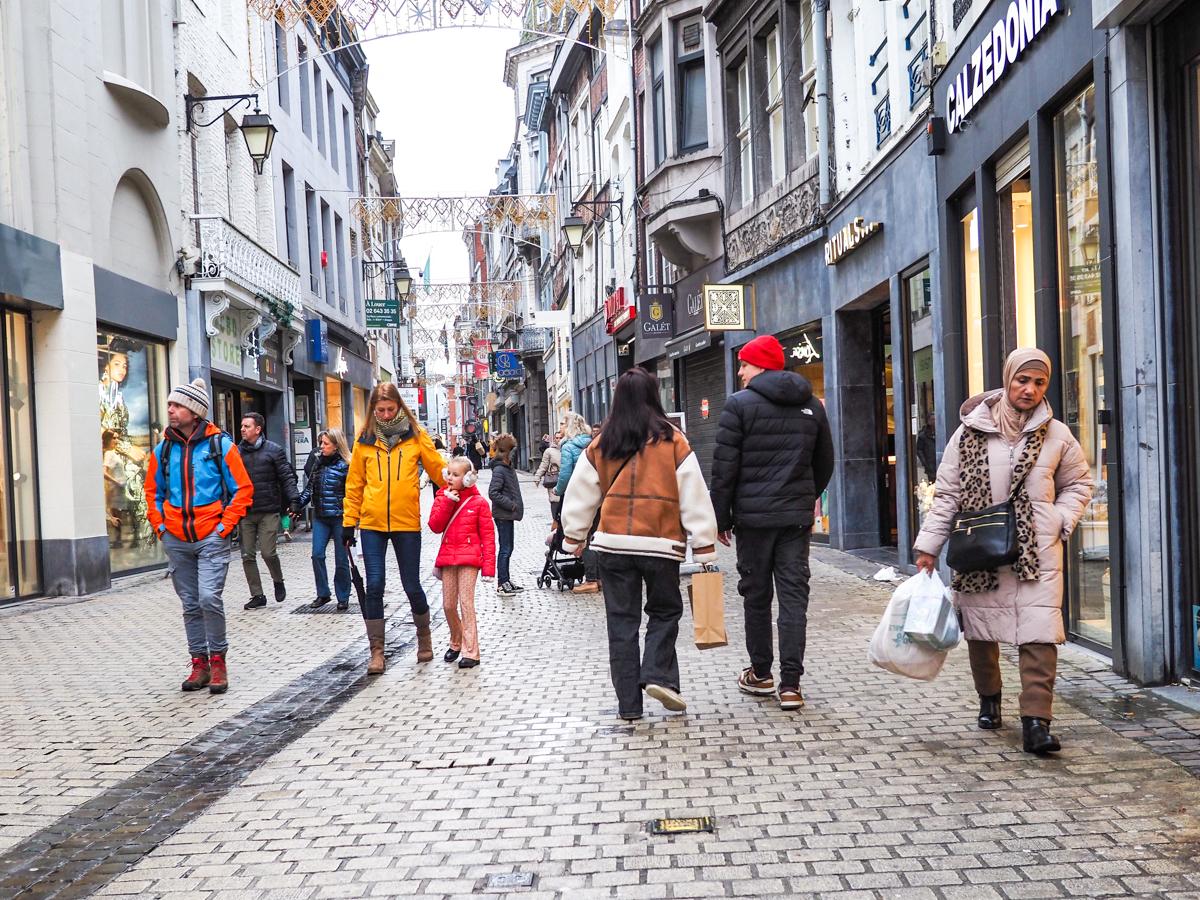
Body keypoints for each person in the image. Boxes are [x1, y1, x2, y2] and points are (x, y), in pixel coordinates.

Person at [914, 348, 1093, 755]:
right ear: (1008, 378)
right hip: (981, 550)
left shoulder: (1057, 435)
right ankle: (989, 699)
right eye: (1022, 380)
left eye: (1039, 382)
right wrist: (928, 547)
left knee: (1040, 636)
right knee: (982, 634)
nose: (1029, 389)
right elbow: (948, 495)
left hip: (1037, 552)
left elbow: (1079, 484)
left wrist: (1057, 520)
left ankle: (1036, 722)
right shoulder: (969, 431)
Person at [560, 367, 719, 721]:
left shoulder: (602, 443)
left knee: (621, 623)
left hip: (613, 547)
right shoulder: (673, 440)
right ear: (653, 396)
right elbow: (694, 493)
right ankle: (657, 674)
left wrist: (574, 535)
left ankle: (629, 706)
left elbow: (581, 491)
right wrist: (705, 544)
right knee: (665, 611)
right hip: (661, 546)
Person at [709, 335, 834, 711]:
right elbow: (825, 462)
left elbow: (724, 469)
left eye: (744, 364)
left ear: (760, 364)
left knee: (757, 597)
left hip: (753, 520)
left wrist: (721, 517)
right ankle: (791, 685)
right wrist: (803, 496)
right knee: (795, 597)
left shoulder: (739, 406)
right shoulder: (811, 404)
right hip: (794, 520)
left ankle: (761, 674)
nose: (740, 371)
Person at [145, 378, 253, 694]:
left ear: (194, 411)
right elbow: (153, 492)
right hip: (176, 538)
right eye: (169, 405)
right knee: (190, 603)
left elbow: (242, 490)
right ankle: (199, 664)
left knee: (208, 597)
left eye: (177, 405)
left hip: (211, 536)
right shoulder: (162, 450)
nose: (171, 410)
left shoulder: (221, 446)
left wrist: (223, 528)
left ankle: (218, 661)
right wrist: (161, 528)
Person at [342, 383, 447, 675]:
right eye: (380, 410)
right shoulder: (363, 442)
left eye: (390, 409)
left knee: (411, 584)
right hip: (372, 524)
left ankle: (424, 638)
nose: (386, 415)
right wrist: (349, 523)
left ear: (399, 407)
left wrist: (459, 483)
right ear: (373, 411)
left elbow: (438, 469)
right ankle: (377, 651)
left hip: (406, 522)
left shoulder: (416, 438)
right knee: (374, 585)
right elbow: (354, 486)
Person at [429, 457, 496, 668]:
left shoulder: (479, 503)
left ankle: (471, 652)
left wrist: (489, 569)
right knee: (448, 605)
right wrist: (448, 501)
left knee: (466, 603)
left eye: (456, 475)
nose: (450, 478)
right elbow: (435, 526)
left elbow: (488, 537)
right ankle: (456, 641)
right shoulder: (442, 497)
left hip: (470, 559)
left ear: (468, 478)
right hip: (448, 557)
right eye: (448, 473)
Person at [237, 412, 301, 609]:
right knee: (247, 555)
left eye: (246, 426)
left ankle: (278, 579)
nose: (242, 429)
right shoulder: (236, 453)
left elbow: (287, 477)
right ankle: (257, 595)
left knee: (267, 552)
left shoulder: (274, 451)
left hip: (269, 510)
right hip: (246, 511)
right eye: (242, 426)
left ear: (258, 429)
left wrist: (294, 500)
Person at [298, 428, 352, 611]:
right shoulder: (318, 464)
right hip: (320, 517)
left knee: (341, 559)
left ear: (336, 446)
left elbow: (353, 495)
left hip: (340, 518)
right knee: (317, 554)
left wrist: (352, 521)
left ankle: (343, 596)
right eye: (321, 443)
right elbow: (309, 489)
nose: (321, 447)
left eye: (325, 443)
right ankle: (323, 593)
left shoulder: (347, 466)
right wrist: (296, 504)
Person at [555, 412, 600, 593]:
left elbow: (565, 474)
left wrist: (557, 490)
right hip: (598, 495)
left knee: (585, 538)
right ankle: (600, 577)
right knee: (597, 536)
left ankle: (590, 580)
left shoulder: (568, 446)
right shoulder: (592, 443)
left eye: (563, 424)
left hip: (580, 496)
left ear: (571, 426)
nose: (561, 428)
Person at [488, 433, 525, 595]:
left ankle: (506, 580)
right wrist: (511, 505)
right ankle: (502, 583)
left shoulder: (506, 468)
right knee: (505, 549)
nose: (515, 453)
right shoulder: (500, 470)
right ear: (507, 452)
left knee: (508, 547)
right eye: (513, 450)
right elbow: (493, 492)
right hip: (503, 515)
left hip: (506, 515)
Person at [534, 435, 562, 524]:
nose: (558, 440)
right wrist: (537, 477)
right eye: (556, 438)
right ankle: (555, 524)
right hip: (553, 480)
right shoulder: (549, 451)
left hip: (566, 480)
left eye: (560, 437)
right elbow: (544, 465)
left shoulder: (568, 448)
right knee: (555, 503)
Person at [916, 414, 938, 482]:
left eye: (935, 420)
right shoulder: (923, 435)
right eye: (932, 420)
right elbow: (919, 449)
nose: (934, 422)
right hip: (930, 465)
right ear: (929, 421)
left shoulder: (940, 432)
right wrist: (925, 462)